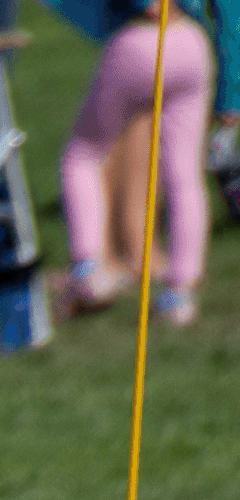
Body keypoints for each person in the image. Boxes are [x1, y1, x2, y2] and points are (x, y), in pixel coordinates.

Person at [55, 0, 217, 326]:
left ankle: (89, 269)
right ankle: (180, 294)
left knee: (83, 156)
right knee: (185, 174)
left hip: (139, 40)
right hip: (189, 40)